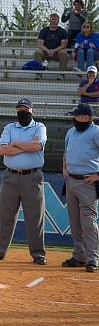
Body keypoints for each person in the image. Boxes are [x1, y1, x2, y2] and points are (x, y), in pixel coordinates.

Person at [0, 99, 47, 265]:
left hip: (32, 177)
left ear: (32, 110)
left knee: (35, 216)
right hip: (10, 176)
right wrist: (26, 145)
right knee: (5, 215)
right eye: (19, 109)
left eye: (25, 109)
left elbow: (37, 147)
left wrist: (16, 144)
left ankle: (38, 254)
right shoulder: (9, 127)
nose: (21, 112)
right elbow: (3, 150)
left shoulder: (39, 127)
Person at [62, 103, 99, 273]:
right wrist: (65, 169)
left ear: (86, 117)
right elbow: (66, 152)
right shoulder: (71, 132)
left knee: (88, 222)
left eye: (76, 115)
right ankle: (79, 256)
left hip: (87, 182)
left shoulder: (96, 131)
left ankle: (92, 258)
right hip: (71, 180)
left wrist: (98, 175)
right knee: (75, 222)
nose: (73, 118)